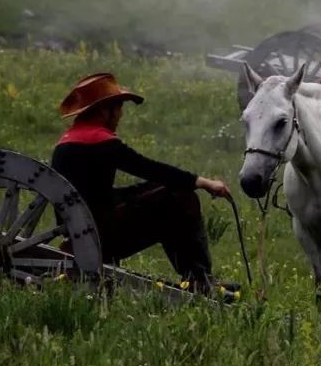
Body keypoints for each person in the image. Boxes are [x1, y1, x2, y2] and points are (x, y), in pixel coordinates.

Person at [51, 72, 231, 293]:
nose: (121, 115)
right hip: (100, 235)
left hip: (81, 227)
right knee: (181, 197)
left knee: (167, 189)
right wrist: (203, 182)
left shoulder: (65, 143)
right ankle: (199, 279)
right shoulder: (99, 141)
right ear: (103, 111)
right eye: (118, 108)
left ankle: (198, 277)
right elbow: (149, 168)